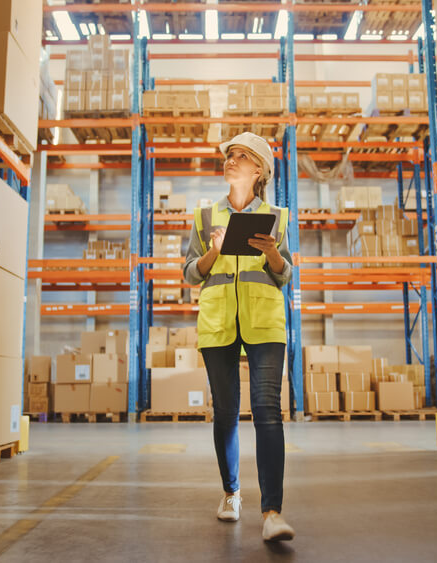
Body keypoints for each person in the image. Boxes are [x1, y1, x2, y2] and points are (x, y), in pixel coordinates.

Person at [182, 132, 295, 542]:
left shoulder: (277, 217)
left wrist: (272, 253)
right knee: (227, 413)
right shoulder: (205, 215)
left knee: (267, 411)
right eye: (229, 155)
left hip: (264, 321)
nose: (231, 160)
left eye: (241, 156)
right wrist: (212, 253)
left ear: (259, 169)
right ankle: (231, 494)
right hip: (218, 324)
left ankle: (272, 512)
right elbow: (189, 273)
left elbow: (286, 274)